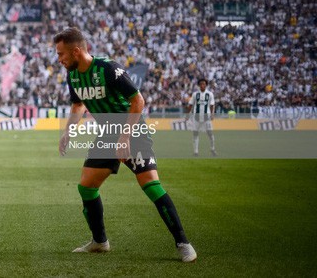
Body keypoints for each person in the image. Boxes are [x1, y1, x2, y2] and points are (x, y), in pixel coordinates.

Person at [54, 27, 196, 263]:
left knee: (150, 184)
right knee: (86, 186)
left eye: (61, 54)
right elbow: (78, 105)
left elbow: (138, 100)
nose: (59, 59)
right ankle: (100, 242)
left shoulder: (108, 68)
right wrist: (68, 131)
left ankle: (183, 243)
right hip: (108, 133)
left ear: (76, 51)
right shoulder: (73, 76)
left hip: (133, 131)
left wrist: (125, 137)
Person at [187, 78, 217, 157]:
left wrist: (212, 114)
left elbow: (212, 105)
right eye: (201, 84)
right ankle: (196, 152)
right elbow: (190, 105)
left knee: (210, 133)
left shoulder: (210, 94)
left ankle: (212, 149)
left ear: (206, 85)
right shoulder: (195, 94)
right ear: (199, 85)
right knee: (195, 134)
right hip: (196, 117)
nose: (202, 85)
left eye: (204, 84)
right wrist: (188, 114)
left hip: (206, 117)